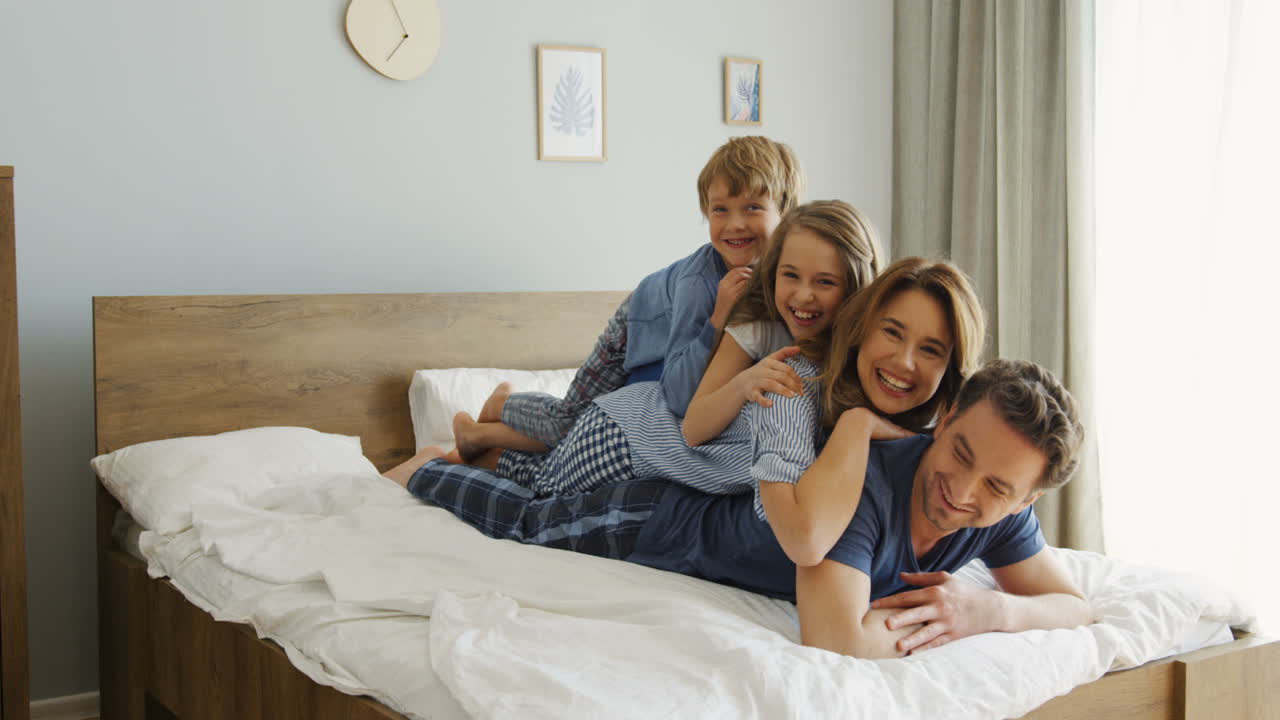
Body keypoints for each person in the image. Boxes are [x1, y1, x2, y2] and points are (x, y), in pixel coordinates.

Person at [385, 359, 1089, 659]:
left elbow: (1075, 605)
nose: (963, 491)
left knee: (539, 492)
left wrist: (993, 610)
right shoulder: (871, 487)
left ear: (1026, 500)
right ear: (949, 415)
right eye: (959, 452)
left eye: (997, 489)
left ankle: (493, 447)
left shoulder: (999, 502)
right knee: (529, 522)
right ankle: (430, 467)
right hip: (660, 521)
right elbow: (836, 638)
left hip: (683, 513)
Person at [457, 200, 885, 499]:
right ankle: (471, 445)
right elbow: (693, 423)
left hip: (644, 436)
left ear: (857, 285)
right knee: (545, 473)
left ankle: (486, 436)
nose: (804, 296)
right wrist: (745, 381)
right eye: (790, 276)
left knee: (555, 449)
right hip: (624, 434)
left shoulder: (871, 355)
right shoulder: (746, 319)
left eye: (825, 283)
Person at [451, 136, 805, 463]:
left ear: (786, 211)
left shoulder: (787, 273)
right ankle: (504, 403)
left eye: (753, 208)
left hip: (678, 346)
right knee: (568, 422)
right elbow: (680, 396)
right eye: (720, 210)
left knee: (579, 432)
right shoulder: (698, 284)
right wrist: (717, 318)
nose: (735, 224)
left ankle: (477, 435)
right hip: (635, 326)